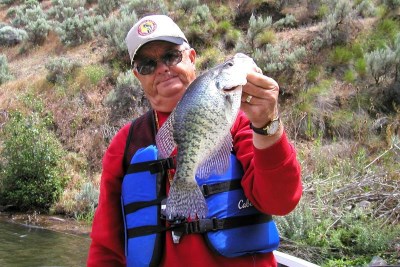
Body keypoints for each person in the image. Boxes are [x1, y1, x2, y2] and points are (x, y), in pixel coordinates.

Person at [87, 14, 302, 267]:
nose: (162, 68)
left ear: (191, 57)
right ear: (138, 76)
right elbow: (106, 249)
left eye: (171, 56)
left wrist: (268, 124)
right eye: (147, 65)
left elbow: (281, 201)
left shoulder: (241, 120)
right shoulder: (125, 144)